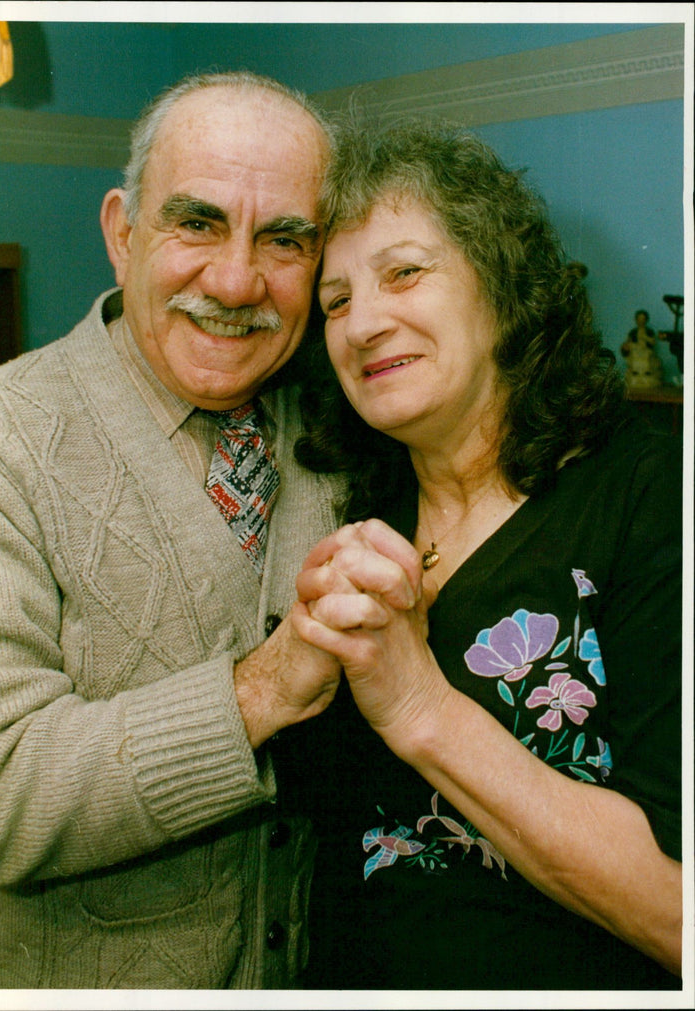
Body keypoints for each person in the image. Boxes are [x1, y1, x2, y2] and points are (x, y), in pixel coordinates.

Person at [0, 71, 348, 990]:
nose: (236, 281)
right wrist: (261, 690)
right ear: (122, 232)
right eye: (196, 223)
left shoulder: (344, 428)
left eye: (283, 240)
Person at [282, 118, 683, 990]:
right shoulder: (348, 511)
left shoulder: (651, 493)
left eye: (404, 272)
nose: (363, 323)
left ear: (501, 284)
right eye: (336, 300)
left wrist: (421, 706)